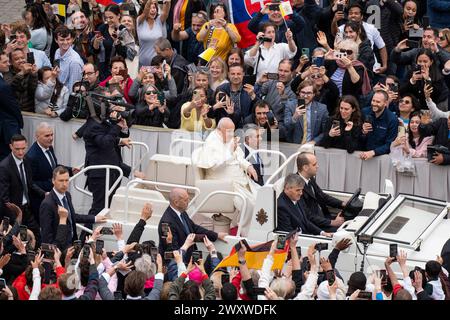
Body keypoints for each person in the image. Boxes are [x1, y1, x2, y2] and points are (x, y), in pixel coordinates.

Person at [192, 118, 259, 236]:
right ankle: (243, 234)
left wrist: (248, 166)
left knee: (260, 197)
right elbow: (214, 166)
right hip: (222, 183)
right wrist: (229, 151)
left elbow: (239, 157)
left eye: (232, 131)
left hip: (240, 181)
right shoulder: (211, 142)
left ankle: (254, 231)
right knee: (247, 204)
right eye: (228, 131)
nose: (231, 134)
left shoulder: (228, 139)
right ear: (219, 130)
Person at [82, 103, 132, 224]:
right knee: (98, 209)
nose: (111, 109)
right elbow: (105, 142)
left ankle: (94, 237)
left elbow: (116, 137)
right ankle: (85, 238)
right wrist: (117, 127)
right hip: (100, 175)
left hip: (111, 173)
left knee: (107, 208)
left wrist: (122, 126)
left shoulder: (103, 122)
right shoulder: (93, 125)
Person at [39, 166, 106, 250]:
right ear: (53, 181)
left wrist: (94, 218)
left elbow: (72, 216)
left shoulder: (67, 195)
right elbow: (46, 238)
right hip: (59, 250)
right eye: (61, 181)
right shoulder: (47, 204)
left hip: (72, 245)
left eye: (66, 180)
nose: (64, 184)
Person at [158, 188, 227, 262]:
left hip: (190, 258)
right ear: (176, 202)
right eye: (185, 200)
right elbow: (172, 250)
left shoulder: (181, 211)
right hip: (180, 263)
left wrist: (216, 235)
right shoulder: (165, 223)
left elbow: (193, 227)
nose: (188, 202)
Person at [0, 134, 45, 243]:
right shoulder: (4, 167)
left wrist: (44, 193)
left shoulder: (26, 160)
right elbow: (4, 198)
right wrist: (15, 218)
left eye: (23, 148)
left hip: (27, 209)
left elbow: (29, 183)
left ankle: (37, 259)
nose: (20, 152)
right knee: (18, 242)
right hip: (14, 213)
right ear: (11, 146)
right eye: (17, 149)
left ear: (26, 146)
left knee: (37, 236)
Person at [296, 152, 346, 232]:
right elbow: (307, 215)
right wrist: (332, 222)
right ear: (305, 167)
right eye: (314, 164)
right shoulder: (297, 187)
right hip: (316, 225)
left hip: (323, 217)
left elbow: (322, 196)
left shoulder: (310, 178)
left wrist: (342, 203)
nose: (317, 166)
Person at [90, 4, 136, 81]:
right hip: (103, 69)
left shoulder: (123, 31)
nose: (108, 20)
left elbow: (128, 54)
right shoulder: (102, 28)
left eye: (111, 17)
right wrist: (96, 42)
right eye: (106, 17)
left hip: (118, 70)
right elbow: (95, 51)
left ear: (118, 16)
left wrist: (117, 42)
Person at [284, 79, 329, 144]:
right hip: (293, 145)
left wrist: (314, 142)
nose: (305, 96)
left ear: (314, 94)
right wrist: (295, 117)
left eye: (309, 93)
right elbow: (286, 127)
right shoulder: (290, 105)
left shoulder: (322, 108)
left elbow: (325, 131)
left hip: (312, 146)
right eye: (303, 92)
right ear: (299, 92)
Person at [360, 90, 399, 160]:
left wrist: (373, 152)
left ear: (385, 103)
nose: (374, 104)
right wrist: (362, 132)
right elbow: (356, 135)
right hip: (362, 154)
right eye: (373, 100)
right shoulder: (364, 112)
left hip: (381, 157)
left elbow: (390, 144)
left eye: (378, 102)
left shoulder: (392, 119)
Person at [0, 49, 23, 161]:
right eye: (4, 62)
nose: (8, 64)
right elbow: (13, 107)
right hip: (7, 128)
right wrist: (20, 122)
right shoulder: (3, 86)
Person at [136, 0, 170, 67]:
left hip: (158, 63)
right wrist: (149, 1)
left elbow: (165, 13)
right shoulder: (140, 21)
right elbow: (145, 12)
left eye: (154, 8)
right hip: (143, 62)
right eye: (150, 8)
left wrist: (168, 2)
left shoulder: (159, 20)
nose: (152, 10)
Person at [53, 26, 84, 94]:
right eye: (62, 40)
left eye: (68, 39)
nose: (65, 42)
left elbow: (73, 89)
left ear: (72, 39)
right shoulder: (57, 52)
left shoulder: (75, 62)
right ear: (56, 40)